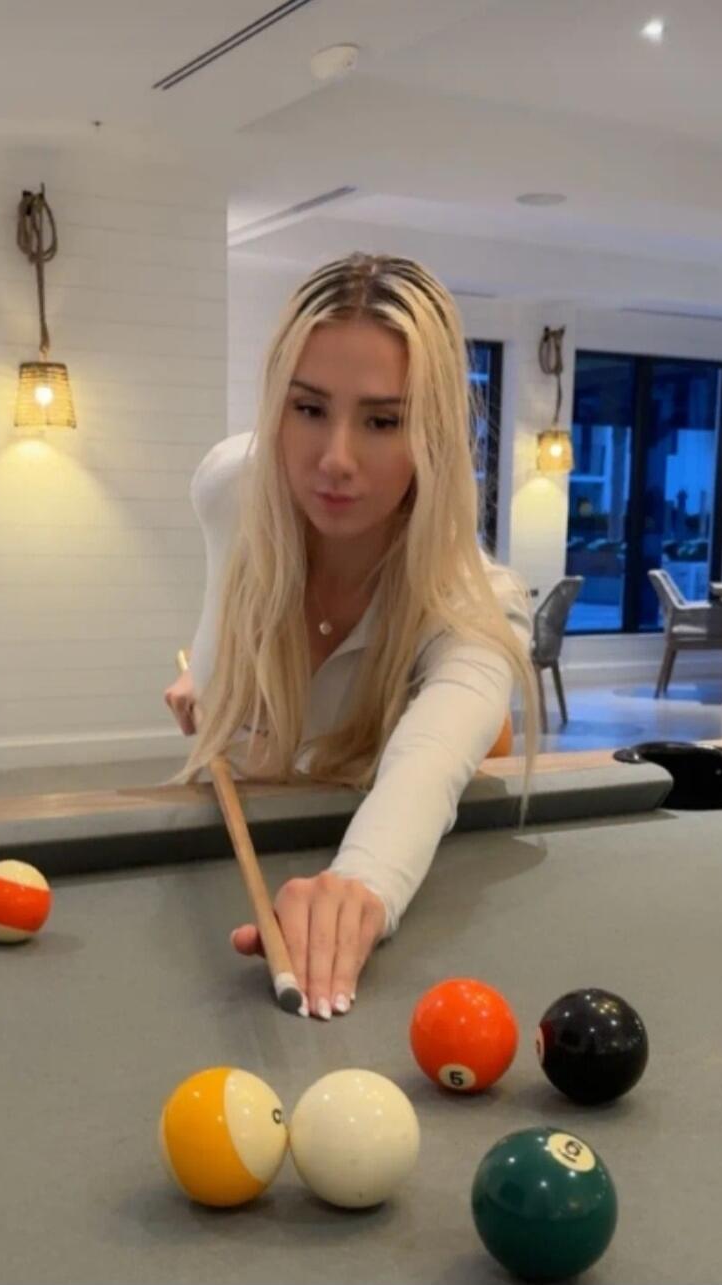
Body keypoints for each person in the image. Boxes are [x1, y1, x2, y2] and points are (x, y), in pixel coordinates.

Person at [164, 253, 538, 1019]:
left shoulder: (478, 607)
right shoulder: (230, 485)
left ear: (431, 433)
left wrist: (361, 882)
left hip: (353, 844)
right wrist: (214, 678)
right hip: (205, 848)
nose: (334, 458)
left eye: (381, 420)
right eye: (307, 409)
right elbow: (229, 599)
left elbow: (429, 763)